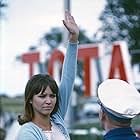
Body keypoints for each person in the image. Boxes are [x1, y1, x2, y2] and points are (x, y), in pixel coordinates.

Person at [16, 11, 79, 140]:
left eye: (52, 96)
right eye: (42, 96)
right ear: (30, 99)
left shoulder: (57, 119)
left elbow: (68, 78)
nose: (49, 101)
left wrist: (73, 39)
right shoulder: (27, 133)